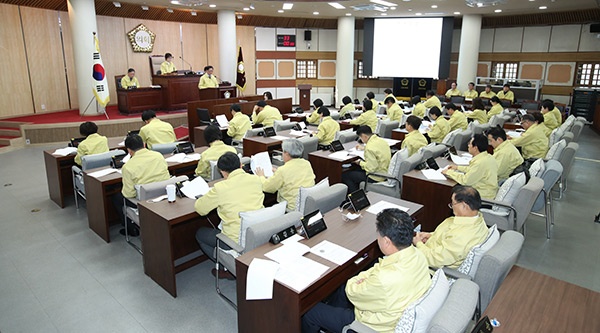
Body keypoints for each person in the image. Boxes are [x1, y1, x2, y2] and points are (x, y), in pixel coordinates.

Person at [302, 209, 432, 333]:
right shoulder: (418, 255)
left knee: (311, 312)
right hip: (395, 310)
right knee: (341, 290)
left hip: (374, 326)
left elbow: (351, 290)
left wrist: (360, 278)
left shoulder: (383, 279)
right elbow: (376, 271)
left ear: (386, 241)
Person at [195, 152, 264, 278]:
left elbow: (200, 209)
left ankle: (227, 268)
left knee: (200, 233)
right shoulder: (256, 179)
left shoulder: (221, 187)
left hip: (234, 242)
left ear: (223, 172)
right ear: (241, 165)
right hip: (257, 234)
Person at [413, 186, 489, 270]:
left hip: (427, 265)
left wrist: (418, 244)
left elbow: (435, 260)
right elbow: (447, 238)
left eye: (453, 203)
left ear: (464, 206)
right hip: (429, 249)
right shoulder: (476, 220)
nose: (451, 206)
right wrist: (430, 236)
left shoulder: (461, 237)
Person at [116, 134, 170, 236]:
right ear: (144, 145)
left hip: (145, 202)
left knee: (117, 198)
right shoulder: (158, 155)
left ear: (129, 150)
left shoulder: (128, 167)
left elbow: (129, 194)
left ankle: (130, 228)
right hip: (163, 195)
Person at [255, 139, 315, 211]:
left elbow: (267, 187)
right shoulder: (306, 163)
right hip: (307, 204)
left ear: (286, 153)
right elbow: (294, 174)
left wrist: (261, 176)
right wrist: (277, 172)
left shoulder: (283, 170)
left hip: (291, 208)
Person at [443, 134, 499, 199]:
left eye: (470, 144)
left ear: (475, 148)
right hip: (487, 192)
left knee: (453, 193)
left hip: (481, 197)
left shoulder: (480, 163)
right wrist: (457, 167)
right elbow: (473, 170)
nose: (468, 146)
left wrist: (448, 172)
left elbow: (465, 181)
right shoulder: (488, 157)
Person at [341, 126, 391, 194]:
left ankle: (356, 196)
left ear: (364, 136)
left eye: (360, 138)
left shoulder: (369, 147)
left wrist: (359, 162)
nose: (361, 140)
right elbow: (377, 151)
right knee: (355, 170)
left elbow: (371, 169)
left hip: (376, 176)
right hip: (385, 171)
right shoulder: (381, 141)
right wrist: (364, 148)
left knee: (346, 175)